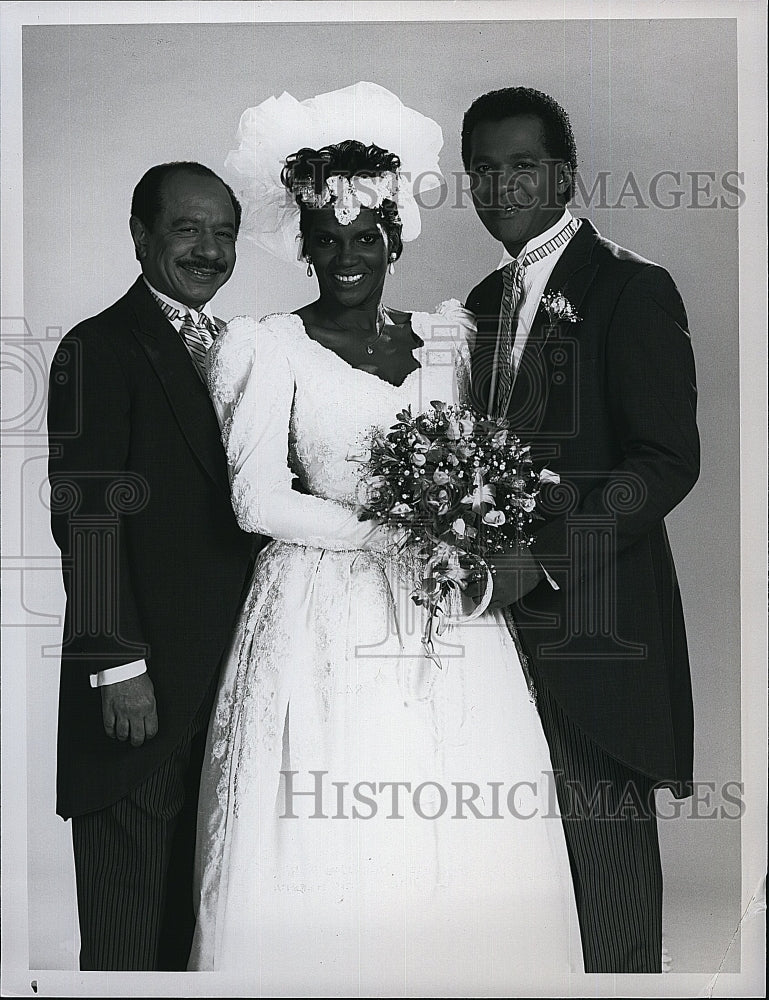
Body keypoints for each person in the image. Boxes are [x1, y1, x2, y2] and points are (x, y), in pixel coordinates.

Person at [189, 82, 576, 994]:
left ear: (395, 239)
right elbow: (256, 501)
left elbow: (475, 459)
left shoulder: (449, 339)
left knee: (460, 806)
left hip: (442, 604)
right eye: (326, 241)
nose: (347, 259)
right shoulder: (264, 344)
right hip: (320, 608)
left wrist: (459, 523)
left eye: (366, 239)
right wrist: (389, 532)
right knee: (335, 809)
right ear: (304, 246)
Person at [462, 87, 700, 973]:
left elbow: (665, 461)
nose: (502, 187)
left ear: (562, 174)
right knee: (520, 881)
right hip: (491, 628)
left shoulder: (630, 288)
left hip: (595, 623)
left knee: (604, 880)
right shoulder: (481, 302)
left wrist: (546, 560)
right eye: (482, 169)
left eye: (522, 166)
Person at [47, 162, 256, 970]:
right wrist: (117, 665)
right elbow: (86, 517)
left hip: (225, 686)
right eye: (187, 230)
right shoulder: (98, 346)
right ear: (140, 237)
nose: (208, 250)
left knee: (195, 935)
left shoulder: (242, 349)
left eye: (224, 233)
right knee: (128, 940)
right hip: (136, 693)